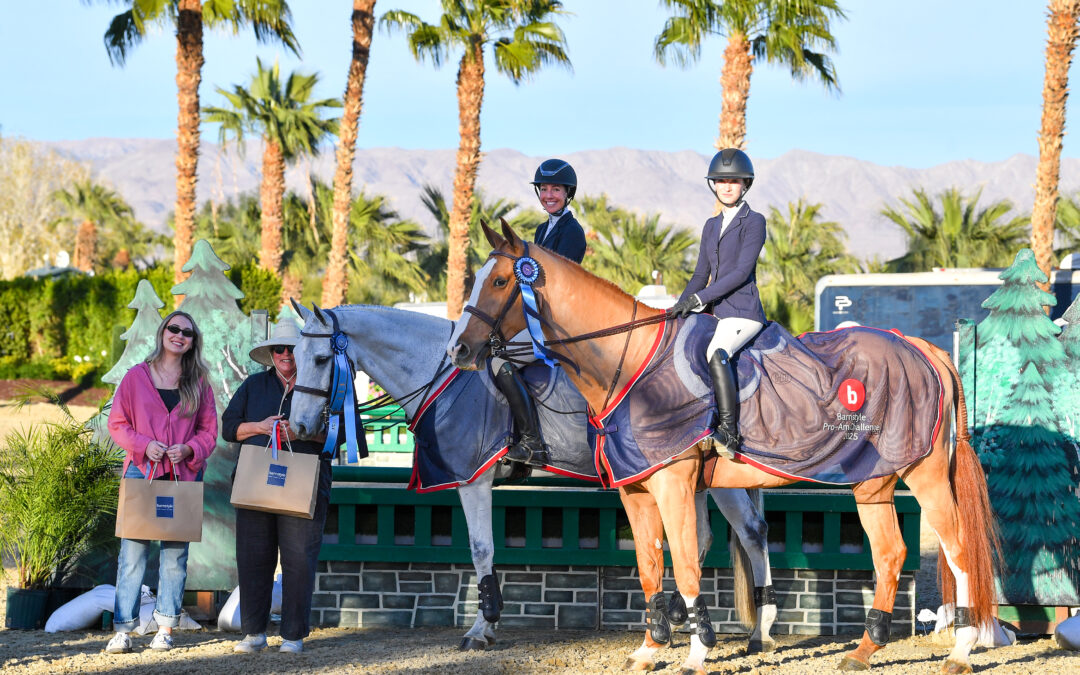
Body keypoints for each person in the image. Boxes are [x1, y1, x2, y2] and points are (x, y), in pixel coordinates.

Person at [106, 311, 218, 654]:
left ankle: (165, 628)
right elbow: (117, 422)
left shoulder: (199, 383)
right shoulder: (135, 378)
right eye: (174, 328)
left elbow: (210, 432)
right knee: (133, 554)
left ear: (192, 342)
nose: (179, 335)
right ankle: (123, 630)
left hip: (182, 475)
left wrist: (188, 448)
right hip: (142, 471)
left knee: (174, 555)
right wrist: (144, 445)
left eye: (187, 332)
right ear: (163, 332)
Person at [222, 319, 330, 655]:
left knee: (299, 559)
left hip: (305, 482)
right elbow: (228, 428)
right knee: (253, 557)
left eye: (292, 347)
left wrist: (302, 433)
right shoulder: (254, 386)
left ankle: (293, 636)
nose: (286, 353)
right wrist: (260, 426)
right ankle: (253, 632)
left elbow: (339, 437)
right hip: (256, 483)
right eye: (279, 348)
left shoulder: (323, 386)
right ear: (271, 353)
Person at [669, 148, 766, 457]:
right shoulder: (711, 225)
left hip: (742, 312)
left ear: (745, 185)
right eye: (722, 181)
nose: (727, 186)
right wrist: (679, 307)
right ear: (714, 184)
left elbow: (740, 273)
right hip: (716, 312)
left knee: (716, 351)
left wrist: (701, 298)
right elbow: (700, 273)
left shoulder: (755, 222)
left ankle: (728, 430)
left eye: (734, 181)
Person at [493, 159, 586, 466]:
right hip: (536, 320)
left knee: (501, 362)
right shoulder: (541, 229)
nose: (549, 195)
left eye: (555, 189)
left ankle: (532, 442)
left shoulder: (573, 232)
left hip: (556, 324)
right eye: (544, 189)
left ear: (567, 193)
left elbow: (556, 285)